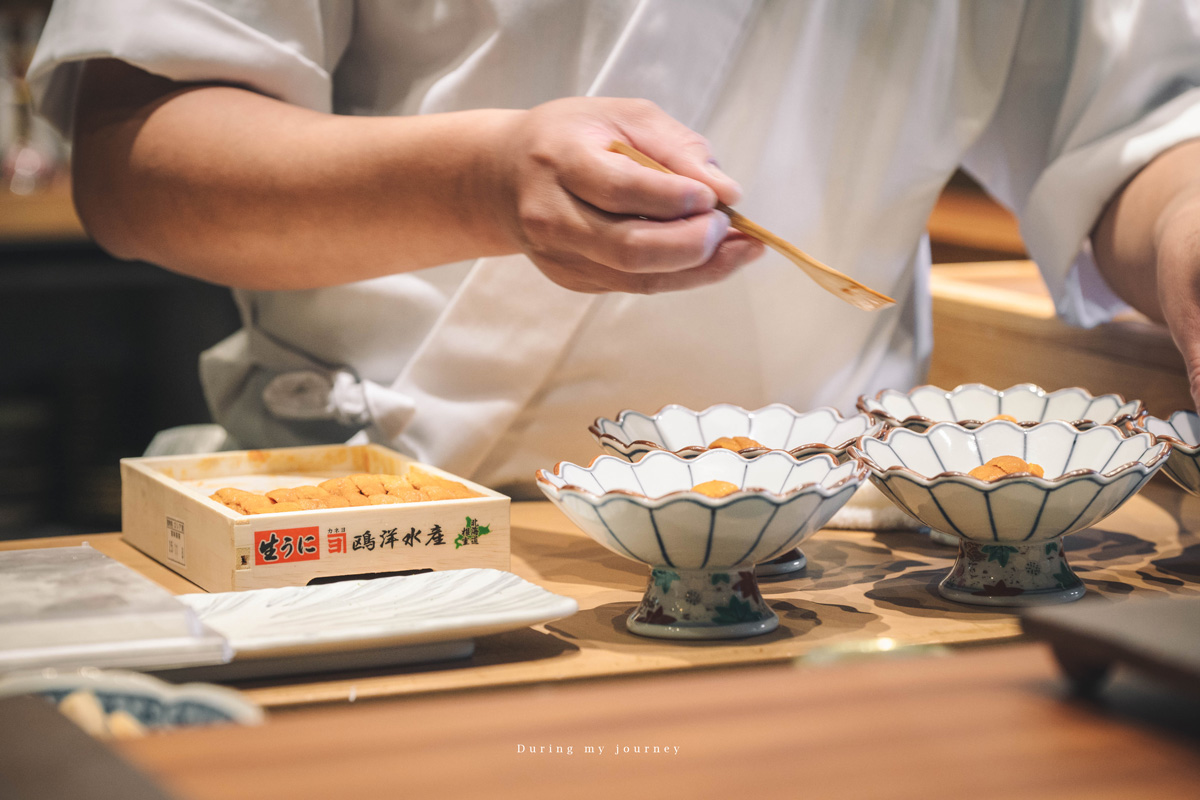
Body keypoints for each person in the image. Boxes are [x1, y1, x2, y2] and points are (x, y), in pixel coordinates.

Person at [26, 0, 1200, 497]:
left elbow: (1147, 129)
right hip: (372, 512)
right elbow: (137, 163)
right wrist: (481, 183)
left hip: (830, 547)